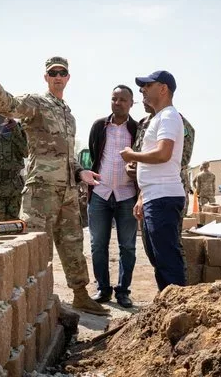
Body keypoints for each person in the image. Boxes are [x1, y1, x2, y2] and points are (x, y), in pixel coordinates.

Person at [0, 56, 109, 316]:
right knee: (37, 246)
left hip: (68, 191)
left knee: (72, 244)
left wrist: (81, 173)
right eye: (53, 72)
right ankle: (38, 300)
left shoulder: (68, 115)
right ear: (46, 77)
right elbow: (11, 106)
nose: (58, 76)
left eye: (62, 72)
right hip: (42, 191)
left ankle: (80, 295)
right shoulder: (36, 103)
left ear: (68, 77)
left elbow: (67, 156)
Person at [120, 70, 186, 290]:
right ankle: (168, 308)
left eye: (148, 86)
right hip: (154, 196)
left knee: (167, 260)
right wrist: (142, 196)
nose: (142, 91)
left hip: (164, 197)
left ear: (163, 88)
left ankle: (178, 310)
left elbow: (163, 154)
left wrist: (132, 156)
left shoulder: (168, 116)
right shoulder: (159, 117)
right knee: (158, 260)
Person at [87, 85, 139, 308]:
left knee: (127, 246)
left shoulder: (137, 128)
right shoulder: (100, 126)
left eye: (122, 100)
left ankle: (123, 291)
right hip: (100, 192)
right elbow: (93, 152)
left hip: (127, 195)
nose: (117, 103)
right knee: (98, 244)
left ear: (131, 103)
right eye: (114, 99)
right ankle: (103, 288)